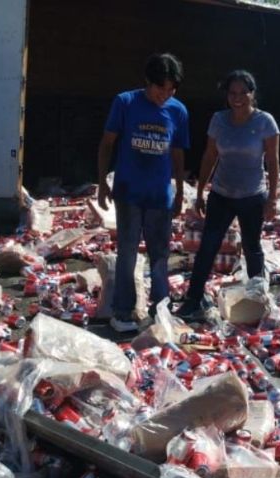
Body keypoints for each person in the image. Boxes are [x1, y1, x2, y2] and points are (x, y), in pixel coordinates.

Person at [176, 70, 280, 319]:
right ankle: (193, 299)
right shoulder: (219, 120)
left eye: (243, 93)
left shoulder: (265, 122)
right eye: (232, 93)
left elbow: (273, 163)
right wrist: (200, 191)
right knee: (208, 246)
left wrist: (272, 199)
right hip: (221, 194)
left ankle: (258, 300)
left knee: (252, 247)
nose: (237, 98)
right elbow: (210, 156)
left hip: (252, 196)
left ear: (252, 94)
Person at [97, 53, 189, 333]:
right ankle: (123, 312)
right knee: (127, 253)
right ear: (147, 82)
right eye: (161, 87)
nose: (166, 94)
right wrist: (102, 182)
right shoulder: (125, 102)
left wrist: (181, 190)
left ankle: (160, 308)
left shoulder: (178, 111)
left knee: (160, 254)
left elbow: (177, 153)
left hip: (160, 196)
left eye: (172, 88)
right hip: (128, 192)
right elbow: (107, 144)